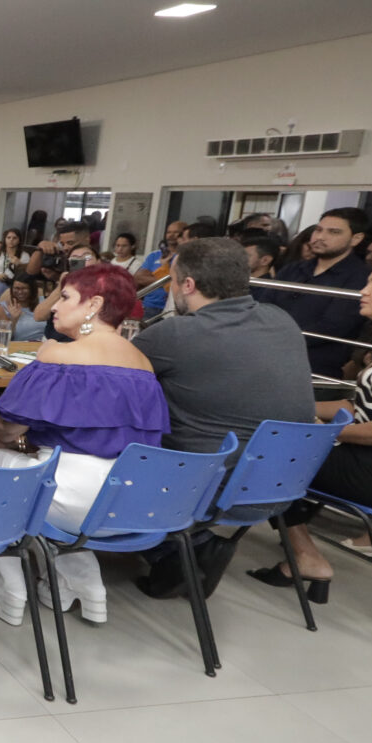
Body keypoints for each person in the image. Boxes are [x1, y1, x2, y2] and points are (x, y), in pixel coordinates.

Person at [0, 264, 170, 625]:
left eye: (64, 296)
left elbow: (7, 427)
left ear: (93, 304)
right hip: (130, 500)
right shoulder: (143, 364)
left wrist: (0, 442)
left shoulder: (58, 355)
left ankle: (4, 578)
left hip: (73, 497)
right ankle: (80, 581)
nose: (55, 306)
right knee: (38, 471)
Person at [130, 238, 315, 597]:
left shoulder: (176, 333)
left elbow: (106, 378)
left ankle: (174, 549)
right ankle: (189, 545)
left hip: (204, 490)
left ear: (187, 285)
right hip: (281, 487)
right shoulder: (282, 321)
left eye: (172, 280)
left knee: (103, 444)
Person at [252, 254, 372, 586]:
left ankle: (305, 554)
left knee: (270, 456)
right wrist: (297, 406)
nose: (365, 290)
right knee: (278, 440)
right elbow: (359, 404)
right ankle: (302, 550)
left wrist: (332, 434)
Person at [266, 207, 371, 379]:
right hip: (269, 357)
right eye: (318, 230)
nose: (320, 237)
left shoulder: (360, 278)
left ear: (356, 238)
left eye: (334, 232)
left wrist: (277, 339)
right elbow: (264, 306)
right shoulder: (293, 269)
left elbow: (333, 326)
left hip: (315, 369)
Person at [135, 221, 186, 315]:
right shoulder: (154, 255)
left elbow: (182, 281)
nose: (171, 235)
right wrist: (169, 279)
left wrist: (152, 276)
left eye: (175, 232)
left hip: (172, 309)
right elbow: (139, 278)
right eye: (169, 232)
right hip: (149, 306)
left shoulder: (184, 256)